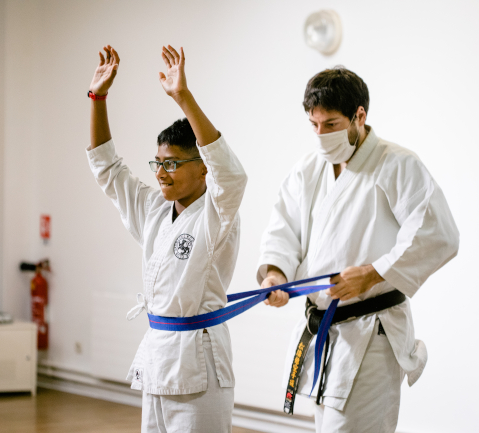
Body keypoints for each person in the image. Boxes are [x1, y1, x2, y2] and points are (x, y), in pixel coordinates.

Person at [258, 66, 460, 432]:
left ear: (359, 116)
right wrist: (276, 273)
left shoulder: (397, 163)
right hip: (325, 332)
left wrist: (373, 273)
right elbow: (284, 227)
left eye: (331, 124)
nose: (321, 135)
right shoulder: (309, 168)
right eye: (314, 125)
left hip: (372, 334)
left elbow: (437, 233)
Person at [86, 44, 247, 433]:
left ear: (203, 168)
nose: (161, 173)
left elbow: (232, 175)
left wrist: (183, 97)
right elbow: (108, 169)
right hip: (159, 355)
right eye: (158, 163)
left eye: (172, 163)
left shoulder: (217, 211)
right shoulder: (155, 210)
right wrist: (98, 98)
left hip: (200, 362)